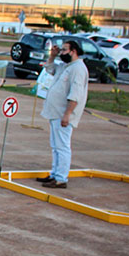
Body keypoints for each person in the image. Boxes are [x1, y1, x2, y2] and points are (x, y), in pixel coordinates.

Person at [37, 40, 89, 189]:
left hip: (63, 114)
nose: (62, 53)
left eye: (64, 50)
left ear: (73, 51)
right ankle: (55, 174)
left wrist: (68, 114)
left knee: (62, 146)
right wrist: (52, 56)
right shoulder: (65, 66)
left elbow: (75, 94)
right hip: (55, 112)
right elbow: (50, 69)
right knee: (55, 146)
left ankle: (61, 178)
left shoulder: (78, 68)